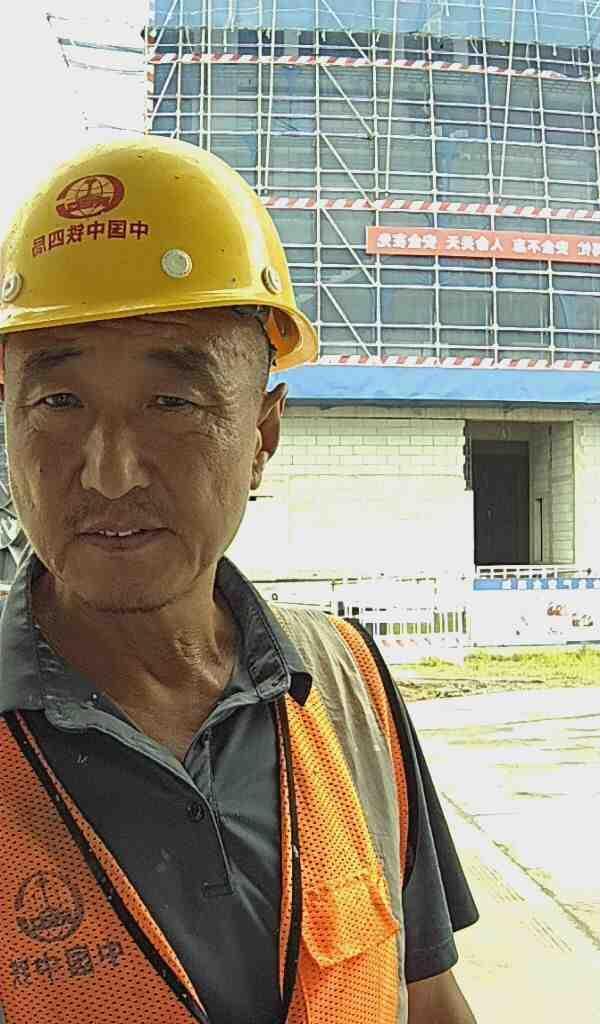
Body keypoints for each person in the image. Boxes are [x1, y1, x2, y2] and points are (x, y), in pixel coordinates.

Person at [0, 136, 479, 1023]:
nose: (109, 472)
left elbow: (430, 998)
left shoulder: (346, 684)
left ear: (262, 434)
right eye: (57, 402)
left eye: (172, 403)